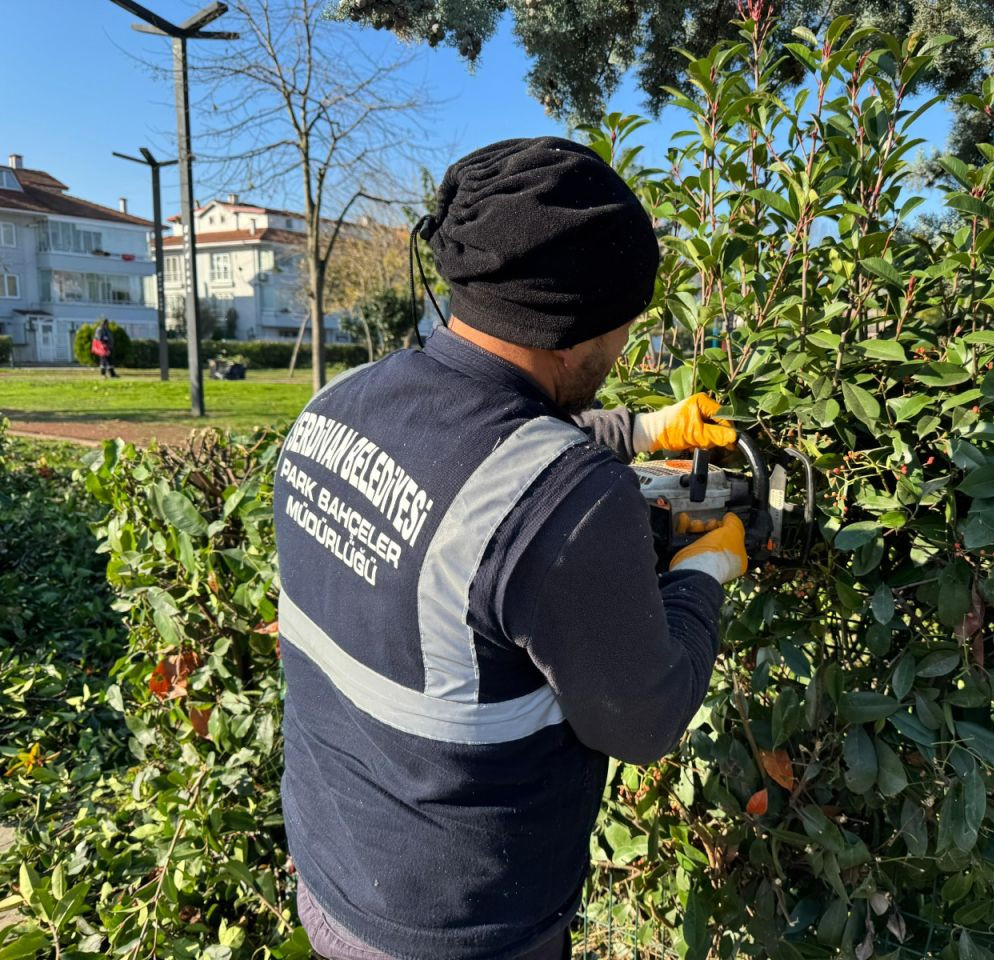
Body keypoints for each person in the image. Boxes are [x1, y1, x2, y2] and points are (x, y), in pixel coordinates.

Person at [274, 137, 748, 960]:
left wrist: (642, 430)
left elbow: (477, 435)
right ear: (570, 334)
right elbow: (644, 717)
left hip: (334, 870)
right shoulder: (569, 500)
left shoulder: (335, 404)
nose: (624, 349)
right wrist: (708, 566)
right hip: (463, 929)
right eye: (622, 330)